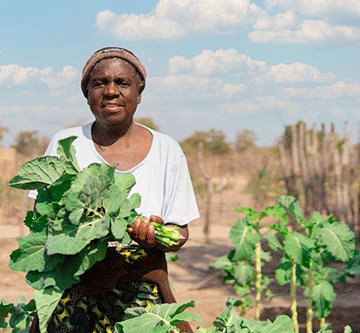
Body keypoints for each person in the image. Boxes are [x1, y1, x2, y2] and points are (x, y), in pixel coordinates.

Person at [28, 47, 200, 333]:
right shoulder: (65, 143)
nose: (110, 91)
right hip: (74, 293)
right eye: (99, 83)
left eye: (122, 83)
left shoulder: (167, 149)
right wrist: (85, 231)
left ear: (139, 92)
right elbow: (41, 220)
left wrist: (157, 237)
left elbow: (180, 231)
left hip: (142, 299)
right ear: (87, 94)